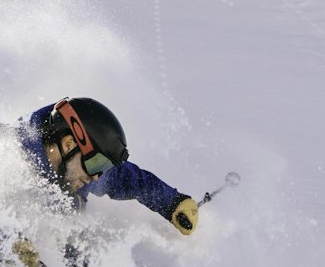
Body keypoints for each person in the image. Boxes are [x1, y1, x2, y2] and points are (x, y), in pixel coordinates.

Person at [11, 97, 198, 237]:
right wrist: (14, 244)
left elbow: (129, 178)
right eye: (95, 164)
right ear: (69, 144)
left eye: (103, 166)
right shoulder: (7, 157)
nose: (96, 177)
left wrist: (172, 203)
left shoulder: (76, 170)